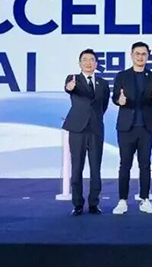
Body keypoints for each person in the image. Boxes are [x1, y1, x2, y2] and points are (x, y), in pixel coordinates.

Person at [111, 42, 152, 215]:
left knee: (145, 164)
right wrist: (119, 100)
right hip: (126, 127)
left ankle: (145, 199)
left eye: (144, 54)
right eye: (137, 54)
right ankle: (122, 201)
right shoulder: (122, 76)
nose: (140, 57)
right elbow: (115, 97)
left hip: (146, 127)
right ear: (132, 55)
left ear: (148, 56)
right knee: (124, 164)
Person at [63, 49, 110, 216]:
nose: (88, 63)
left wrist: (95, 118)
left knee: (95, 169)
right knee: (77, 168)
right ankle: (77, 204)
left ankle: (94, 204)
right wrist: (69, 87)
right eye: (85, 60)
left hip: (96, 129)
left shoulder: (103, 83)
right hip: (77, 129)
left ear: (96, 63)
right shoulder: (73, 79)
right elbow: (69, 88)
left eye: (91, 60)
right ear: (80, 63)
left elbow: (104, 105)